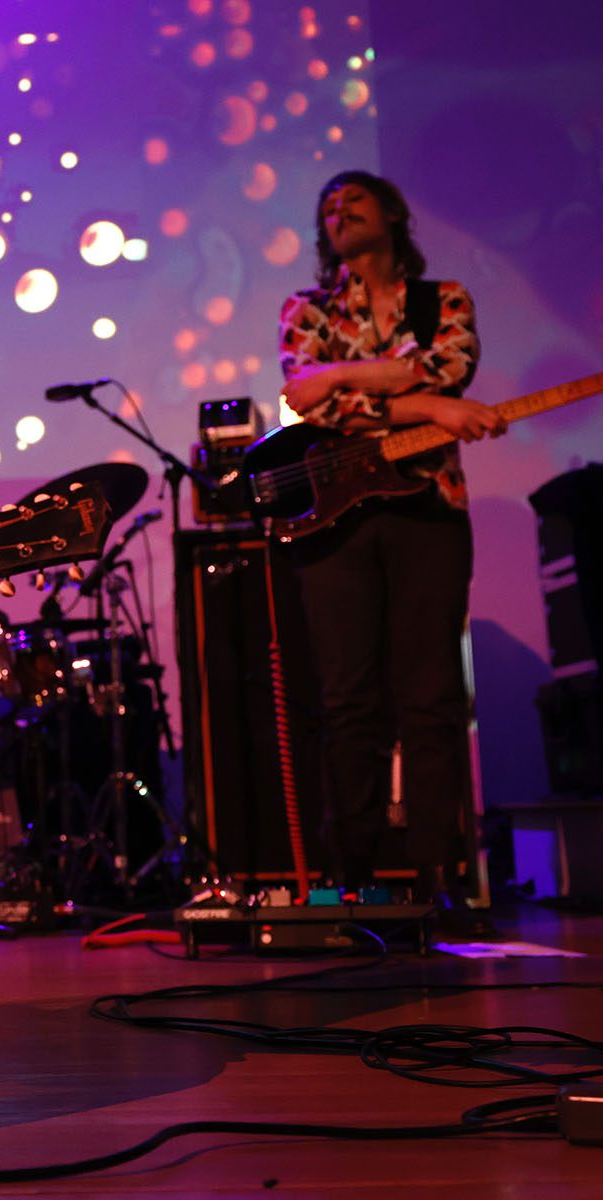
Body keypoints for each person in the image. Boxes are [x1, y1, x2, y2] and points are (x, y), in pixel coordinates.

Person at [276, 170, 505, 922]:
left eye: (355, 201)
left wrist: (380, 385)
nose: (339, 213)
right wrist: (429, 404)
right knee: (349, 702)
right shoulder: (304, 310)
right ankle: (353, 882)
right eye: (329, 208)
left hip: (429, 509)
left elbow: (448, 368)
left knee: (432, 697)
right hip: (336, 520)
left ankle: (441, 877)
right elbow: (311, 398)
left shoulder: (445, 301)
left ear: (394, 213)